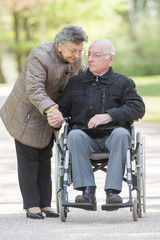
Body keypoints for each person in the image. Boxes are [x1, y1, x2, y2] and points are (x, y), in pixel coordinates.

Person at [0, 25, 88, 219]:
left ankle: (45, 205)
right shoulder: (40, 57)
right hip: (28, 113)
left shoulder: (75, 59)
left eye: (80, 50)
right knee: (29, 158)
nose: (77, 54)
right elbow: (34, 90)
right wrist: (52, 109)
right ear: (59, 46)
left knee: (45, 157)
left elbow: (84, 77)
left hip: (49, 115)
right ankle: (31, 205)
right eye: (73, 50)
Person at [47, 39, 145, 210]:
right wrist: (56, 116)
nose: (90, 59)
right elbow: (62, 108)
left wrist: (109, 116)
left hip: (113, 137)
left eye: (96, 55)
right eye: (89, 54)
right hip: (84, 138)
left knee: (122, 134)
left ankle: (113, 192)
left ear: (111, 59)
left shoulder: (123, 83)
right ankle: (87, 191)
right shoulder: (75, 83)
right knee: (74, 135)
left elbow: (138, 108)